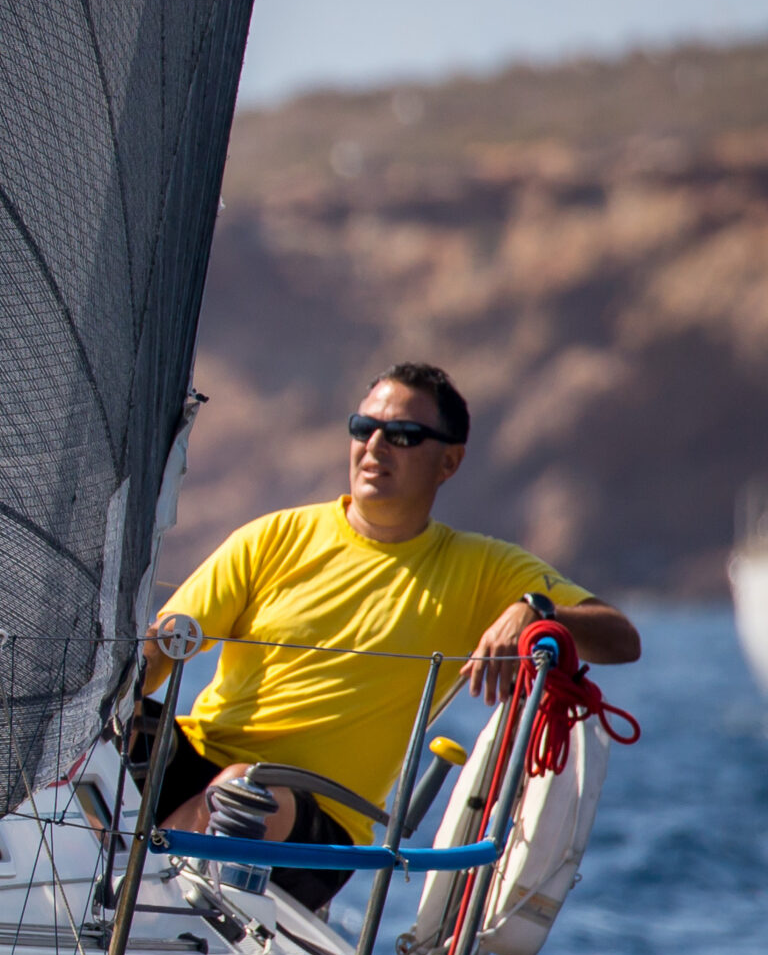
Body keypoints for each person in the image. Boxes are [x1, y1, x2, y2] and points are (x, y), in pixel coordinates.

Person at [139, 361, 640, 910]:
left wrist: (538, 609)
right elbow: (163, 648)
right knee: (83, 726)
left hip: (313, 822)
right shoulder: (272, 537)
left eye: (402, 436)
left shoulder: (480, 569)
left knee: (241, 794)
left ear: (449, 460)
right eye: (363, 428)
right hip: (197, 759)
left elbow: (620, 638)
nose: (375, 446)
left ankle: (138, 903)